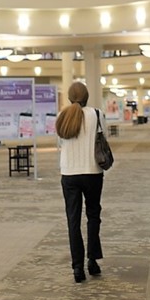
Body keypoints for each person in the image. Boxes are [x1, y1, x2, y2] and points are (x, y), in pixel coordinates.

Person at [55, 81, 105, 283]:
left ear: (69, 98)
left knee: (72, 220)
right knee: (93, 215)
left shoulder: (62, 116)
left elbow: (60, 143)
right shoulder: (97, 114)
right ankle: (92, 260)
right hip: (93, 171)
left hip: (69, 173)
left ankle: (77, 268)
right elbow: (104, 138)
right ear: (87, 97)